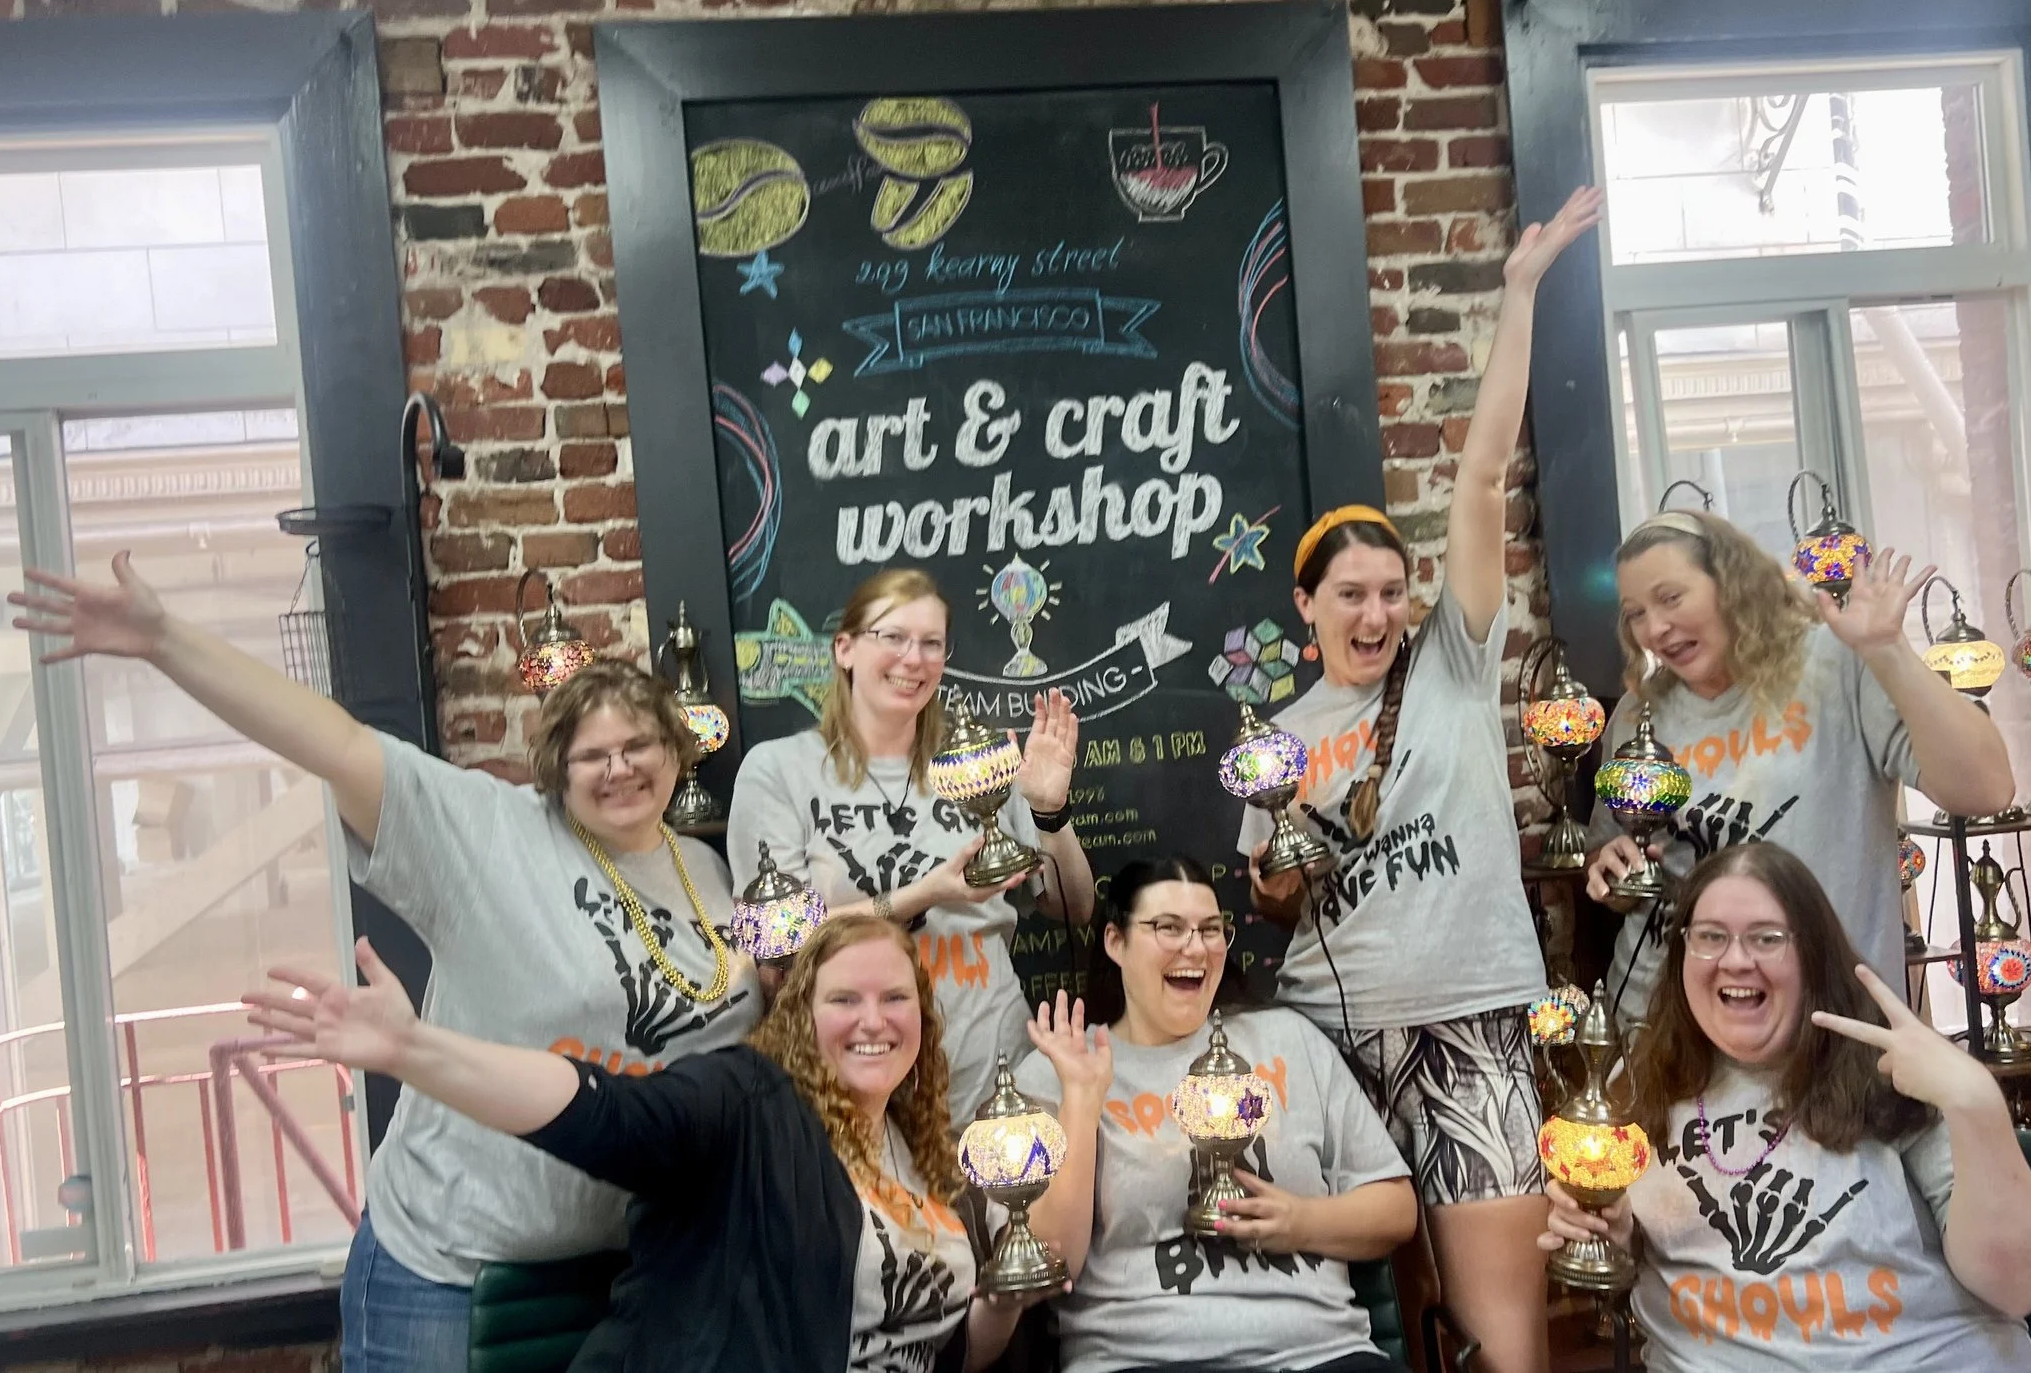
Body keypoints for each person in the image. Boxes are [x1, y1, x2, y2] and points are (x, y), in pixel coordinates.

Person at [11, 553, 761, 1373]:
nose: (621, 768)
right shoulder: (491, 834)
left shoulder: (708, 872)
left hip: (631, 1275)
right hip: (449, 1271)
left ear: (675, 750)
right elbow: (334, 744)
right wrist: (164, 640)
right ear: (557, 766)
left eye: (641, 743)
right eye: (593, 754)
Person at [1238, 187, 1601, 1373]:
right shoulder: (1276, 739)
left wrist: (1519, 289)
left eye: (1391, 591)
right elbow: (1273, 900)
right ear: (1305, 605)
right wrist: (1278, 870)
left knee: (1502, 1340)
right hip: (1327, 1036)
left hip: (1467, 1020)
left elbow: (1482, 473)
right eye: (1349, 594)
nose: (1375, 612)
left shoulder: (1451, 658)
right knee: (1365, 1335)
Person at [247, 913, 1057, 1372]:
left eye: (895, 998)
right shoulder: (749, 1104)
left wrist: (998, 1305)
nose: (873, 1020)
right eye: (845, 998)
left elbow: (941, 1354)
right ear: (803, 1016)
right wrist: (414, 1050)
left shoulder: (920, 1153)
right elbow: (607, 1113)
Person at [1541, 842, 2031, 1372]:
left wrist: (1976, 1102)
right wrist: (1612, 1232)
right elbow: (1647, 1254)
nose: (1735, 960)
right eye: (1711, 937)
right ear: (1682, 952)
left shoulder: (1893, 1068)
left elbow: (2017, 1285)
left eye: (1766, 938)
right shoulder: (1635, 1083)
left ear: (1813, 954)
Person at [1586, 515, 2015, 1017]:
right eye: (1635, 613)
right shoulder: (1638, 712)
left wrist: (1888, 650)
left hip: (1825, 1024)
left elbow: (1986, 790)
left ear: (1731, 582)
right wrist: (1611, 869)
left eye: (1671, 598)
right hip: (1659, 1021)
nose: (1655, 628)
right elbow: (1609, 858)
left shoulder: (1836, 665)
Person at [1014, 857, 1417, 1373]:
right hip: (1141, 1360)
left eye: (1210, 930)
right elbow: (1052, 1261)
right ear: (1116, 942)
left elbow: (1395, 1208)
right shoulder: (1059, 1068)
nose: (1195, 947)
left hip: (1322, 1353)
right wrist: (1080, 1101)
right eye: (1168, 928)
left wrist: (1300, 1222)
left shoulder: (1290, 1040)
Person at [730, 567, 1095, 1129]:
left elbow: (1074, 907)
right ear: (845, 649)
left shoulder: (978, 761)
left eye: (931, 643)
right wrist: (925, 894)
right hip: (853, 1085)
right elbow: (774, 949)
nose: (914, 659)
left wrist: (1049, 812)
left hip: (994, 1073)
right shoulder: (780, 770)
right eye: (893, 637)